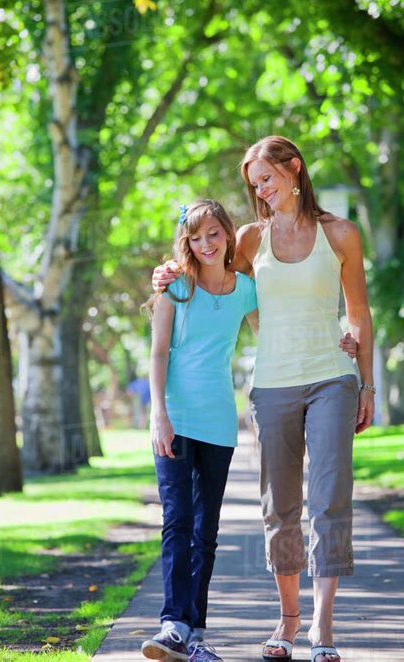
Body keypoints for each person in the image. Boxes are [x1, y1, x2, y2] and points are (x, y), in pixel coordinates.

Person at [152, 136, 374, 662]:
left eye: (267, 179)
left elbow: (360, 312)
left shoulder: (341, 234)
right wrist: (167, 273)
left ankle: (323, 630)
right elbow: (209, 273)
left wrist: (365, 381)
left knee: (330, 501)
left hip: (332, 379)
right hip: (272, 383)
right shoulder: (250, 239)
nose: (261, 191)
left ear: (293, 168)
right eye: (255, 185)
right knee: (280, 508)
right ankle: (286, 622)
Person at [141, 199, 259, 662]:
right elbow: (158, 354)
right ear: (185, 242)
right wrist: (158, 415)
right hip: (175, 417)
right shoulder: (176, 288)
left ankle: (196, 634)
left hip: (218, 422)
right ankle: (172, 623)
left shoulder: (247, 289)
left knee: (206, 530)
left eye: (214, 234)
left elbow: (270, 335)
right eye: (196, 237)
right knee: (177, 520)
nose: (206, 243)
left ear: (228, 235)